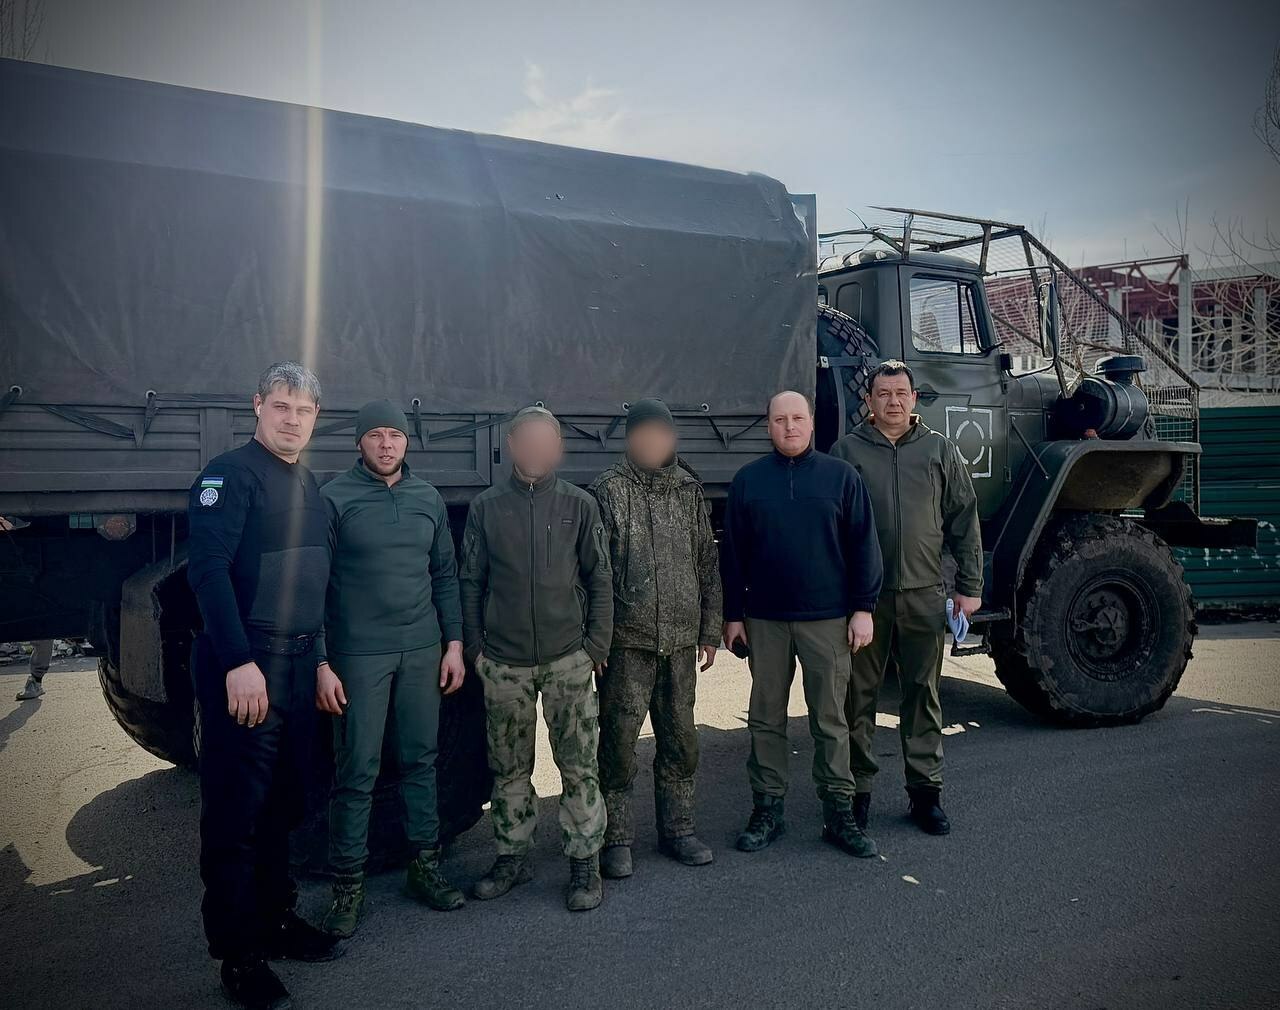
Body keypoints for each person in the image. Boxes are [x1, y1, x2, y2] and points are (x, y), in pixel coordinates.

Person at [186, 361, 340, 1010]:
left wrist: (324, 661)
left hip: (301, 666)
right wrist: (237, 662)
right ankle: (239, 957)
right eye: (281, 407)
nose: (292, 420)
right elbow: (209, 574)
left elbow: (314, 586)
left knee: (282, 805)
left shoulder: (309, 485)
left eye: (303, 411)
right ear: (257, 407)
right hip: (249, 667)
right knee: (236, 817)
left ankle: (277, 921)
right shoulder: (229, 476)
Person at [314, 400, 467, 938]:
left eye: (395, 435)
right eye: (375, 435)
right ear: (359, 442)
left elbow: (445, 575)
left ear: (407, 443)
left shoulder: (427, 498)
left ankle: (423, 868)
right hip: (360, 656)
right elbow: (314, 589)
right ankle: (346, 890)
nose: (386, 444)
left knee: (420, 760)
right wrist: (322, 662)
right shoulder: (332, 499)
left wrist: (453, 644)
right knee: (357, 770)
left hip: (423, 649)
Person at [459, 405, 613, 912]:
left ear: (558, 449)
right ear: (511, 445)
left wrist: (595, 648)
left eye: (546, 441)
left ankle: (584, 863)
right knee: (508, 768)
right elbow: (471, 582)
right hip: (505, 664)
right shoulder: (486, 507)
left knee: (579, 766)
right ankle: (512, 856)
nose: (536, 450)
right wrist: (478, 651)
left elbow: (600, 579)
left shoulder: (579, 505)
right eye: (527, 440)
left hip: (569, 658)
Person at [720, 390, 883, 858]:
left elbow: (864, 548)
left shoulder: (842, 478)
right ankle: (767, 811)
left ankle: (839, 813)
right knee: (765, 719)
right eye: (778, 419)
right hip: (766, 621)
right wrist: (733, 616)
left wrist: (863, 608)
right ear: (767, 426)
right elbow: (733, 556)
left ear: (811, 423)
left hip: (828, 621)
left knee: (831, 720)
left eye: (797, 418)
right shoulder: (749, 482)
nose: (789, 426)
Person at [829, 360, 982, 835]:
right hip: (865, 603)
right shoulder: (847, 451)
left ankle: (926, 794)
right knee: (858, 698)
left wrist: (969, 588)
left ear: (915, 399)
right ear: (868, 400)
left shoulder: (939, 450)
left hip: (923, 595)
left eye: (901, 393)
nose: (893, 401)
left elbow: (963, 519)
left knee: (923, 696)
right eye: (883, 393)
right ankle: (857, 794)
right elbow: (833, 528)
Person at [589, 398, 722, 879]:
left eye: (661, 433)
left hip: (682, 643)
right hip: (627, 645)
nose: (652, 442)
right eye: (642, 433)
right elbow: (593, 575)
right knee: (619, 743)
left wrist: (709, 631)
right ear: (629, 438)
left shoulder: (688, 489)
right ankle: (616, 839)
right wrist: (597, 641)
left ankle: (679, 831)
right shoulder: (607, 490)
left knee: (681, 740)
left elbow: (707, 564)